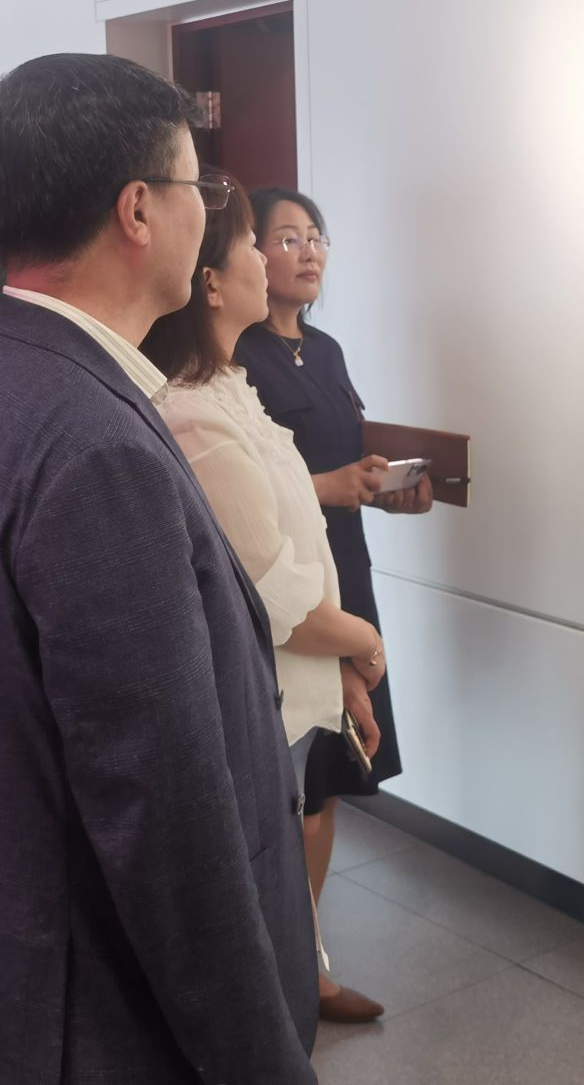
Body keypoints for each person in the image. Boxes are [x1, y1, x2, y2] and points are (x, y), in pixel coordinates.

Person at [0, 53, 318, 1084]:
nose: (206, 216)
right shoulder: (95, 443)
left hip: (38, 968)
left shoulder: (1, 373)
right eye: (198, 188)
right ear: (138, 209)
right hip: (112, 1018)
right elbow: (160, 810)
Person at [143, 179, 392, 1024]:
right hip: (268, 682)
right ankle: (285, 1001)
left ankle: (301, 979)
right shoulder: (194, 411)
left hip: (311, 662)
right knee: (263, 872)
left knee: (303, 831)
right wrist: (359, 641)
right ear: (212, 280)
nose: (285, 253)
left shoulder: (236, 387)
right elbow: (274, 587)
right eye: (262, 241)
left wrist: (346, 665)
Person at [233, 188, 429, 1022]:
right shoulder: (236, 356)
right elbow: (247, 491)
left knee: (333, 780)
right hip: (287, 590)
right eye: (286, 238)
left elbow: (342, 462)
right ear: (246, 255)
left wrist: (383, 489)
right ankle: (276, 973)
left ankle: (307, 966)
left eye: (316, 236)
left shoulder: (326, 348)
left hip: (346, 574)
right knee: (290, 790)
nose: (307, 251)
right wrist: (329, 485)